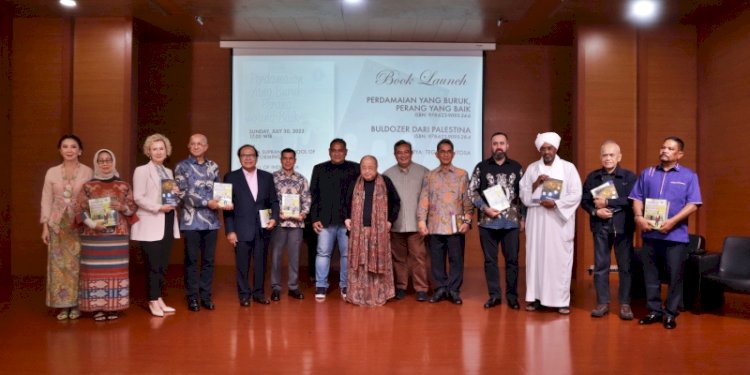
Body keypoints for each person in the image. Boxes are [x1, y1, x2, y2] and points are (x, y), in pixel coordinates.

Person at [629, 136, 702, 330]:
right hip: (650, 235)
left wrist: (673, 222)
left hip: (675, 236)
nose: (664, 151)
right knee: (651, 276)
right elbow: (636, 197)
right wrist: (638, 217)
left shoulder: (688, 176)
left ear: (679, 154)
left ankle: (670, 313)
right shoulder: (648, 173)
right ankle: (654, 310)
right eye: (663, 147)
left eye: (670, 148)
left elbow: (693, 204)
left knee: (674, 276)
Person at [520, 132, 582, 315]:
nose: (546, 151)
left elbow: (576, 194)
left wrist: (556, 203)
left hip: (558, 222)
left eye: (550, 148)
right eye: (543, 148)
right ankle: (535, 297)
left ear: (556, 149)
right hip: (537, 220)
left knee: (558, 260)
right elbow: (523, 195)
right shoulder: (532, 168)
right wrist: (535, 184)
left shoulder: (568, 168)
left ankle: (561, 301)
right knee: (536, 259)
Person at [75, 149, 137, 321]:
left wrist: (123, 208)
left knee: (116, 271)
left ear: (113, 162)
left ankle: (114, 307)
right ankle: (97, 308)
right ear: (96, 163)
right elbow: (78, 210)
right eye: (101, 160)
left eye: (108, 160)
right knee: (94, 272)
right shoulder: (87, 186)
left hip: (117, 236)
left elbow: (132, 209)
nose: (105, 163)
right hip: (94, 237)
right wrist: (92, 224)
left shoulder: (124, 185)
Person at [468, 132, 525, 310]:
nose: (498, 146)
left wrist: (523, 217)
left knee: (512, 261)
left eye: (501, 143)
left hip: (511, 223)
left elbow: (524, 196)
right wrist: (484, 208)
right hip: (488, 222)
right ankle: (494, 296)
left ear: (507, 146)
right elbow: (472, 191)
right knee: (490, 261)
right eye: (495, 143)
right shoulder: (481, 167)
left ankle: (512, 296)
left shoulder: (517, 167)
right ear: (491, 146)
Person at [581, 141, 637, 320]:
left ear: (619, 157)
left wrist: (608, 202)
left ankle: (625, 304)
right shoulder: (593, 177)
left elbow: (632, 200)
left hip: (623, 227)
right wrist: (595, 211)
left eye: (612, 155)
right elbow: (584, 200)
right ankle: (603, 303)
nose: (608, 158)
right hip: (600, 227)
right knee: (600, 267)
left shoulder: (629, 177)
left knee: (625, 267)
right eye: (605, 155)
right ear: (600, 157)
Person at [40, 134, 93, 320]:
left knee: (77, 265)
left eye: (73, 146)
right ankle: (63, 305)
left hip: (78, 224)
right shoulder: (52, 172)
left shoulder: (88, 171)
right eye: (65, 146)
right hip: (57, 224)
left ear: (80, 151)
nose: (69, 150)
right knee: (59, 266)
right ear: (60, 150)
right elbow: (46, 200)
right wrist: (45, 227)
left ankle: (77, 304)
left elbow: (93, 198)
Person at [131, 133, 181, 317]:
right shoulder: (142, 170)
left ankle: (159, 298)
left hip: (167, 220)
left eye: (161, 148)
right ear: (148, 152)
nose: (158, 152)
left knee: (162, 264)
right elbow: (138, 197)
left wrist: (176, 194)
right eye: (154, 149)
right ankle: (152, 300)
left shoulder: (168, 172)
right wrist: (159, 207)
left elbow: (168, 197)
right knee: (152, 264)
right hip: (151, 220)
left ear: (166, 151)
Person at [418, 139, 473, 305]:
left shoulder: (462, 174)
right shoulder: (429, 175)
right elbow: (424, 198)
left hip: (456, 225)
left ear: (454, 154)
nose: (446, 154)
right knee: (436, 259)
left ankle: (454, 290)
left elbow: (467, 200)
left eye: (449, 151)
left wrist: (468, 220)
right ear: (436, 154)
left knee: (456, 259)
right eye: (442, 151)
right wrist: (421, 220)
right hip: (434, 225)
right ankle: (440, 288)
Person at [223, 144, 279, 307]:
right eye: (244, 155)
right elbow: (227, 208)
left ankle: (259, 293)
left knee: (261, 264)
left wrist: (274, 219)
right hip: (240, 229)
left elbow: (274, 201)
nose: (248, 158)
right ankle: (244, 295)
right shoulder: (230, 177)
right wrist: (230, 231)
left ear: (257, 157)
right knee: (242, 264)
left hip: (263, 228)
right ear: (239, 158)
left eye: (251, 155)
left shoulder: (267, 177)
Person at [174, 134, 224, 312]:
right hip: (191, 221)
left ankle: (205, 296)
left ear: (206, 146)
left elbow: (219, 191)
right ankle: (192, 297)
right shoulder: (181, 167)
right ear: (188, 146)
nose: (196, 146)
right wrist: (206, 202)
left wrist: (225, 202)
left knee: (209, 261)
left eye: (200, 144)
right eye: (193, 144)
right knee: (192, 260)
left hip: (211, 222)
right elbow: (182, 194)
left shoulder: (213, 166)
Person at [343, 156, 401, 306]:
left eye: (371, 168)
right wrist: (346, 218)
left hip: (379, 233)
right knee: (360, 264)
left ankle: (379, 295)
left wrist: (390, 221)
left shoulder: (385, 182)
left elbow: (396, 202)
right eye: (364, 168)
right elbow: (345, 202)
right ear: (360, 168)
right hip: (358, 233)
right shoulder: (353, 183)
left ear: (376, 167)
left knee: (377, 263)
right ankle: (358, 296)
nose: (367, 171)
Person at [310, 138, 360, 301]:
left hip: (348, 221)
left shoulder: (356, 168)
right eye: (334, 150)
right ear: (329, 151)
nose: (337, 153)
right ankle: (321, 286)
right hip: (325, 220)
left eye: (340, 150)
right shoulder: (319, 169)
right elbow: (314, 196)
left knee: (347, 255)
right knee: (323, 253)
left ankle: (345, 285)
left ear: (346, 151)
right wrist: (314, 218)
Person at [383, 140, 430, 302]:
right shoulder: (387, 174)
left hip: (417, 225)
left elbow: (429, 199)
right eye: (399, 152)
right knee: (399, 259)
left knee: (418, 257)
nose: (403, 155)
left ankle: (421, 288)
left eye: (406, 152)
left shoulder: (424, 172)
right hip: (396, 225)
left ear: (411, 153)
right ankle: (401, 286)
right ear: (395, 154)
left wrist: (425, 222)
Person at [270, 148, 311, 301]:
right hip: (278, 224)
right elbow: (269, 199)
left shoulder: (301, 179)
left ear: (295, 160)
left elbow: (307, 199)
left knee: (295, 257)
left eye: (291, 158)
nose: (288, 161)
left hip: (296, 225)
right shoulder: (272, 178)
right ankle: (275, 287)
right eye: (285, 158)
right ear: (281, 160)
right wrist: (275, 214)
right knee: (276, 257)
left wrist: (303, 213)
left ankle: (293, 287)